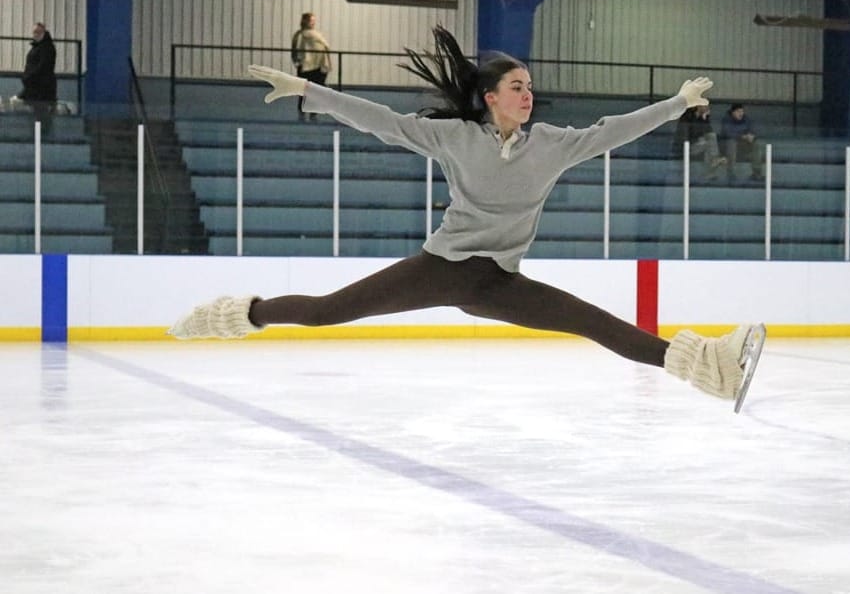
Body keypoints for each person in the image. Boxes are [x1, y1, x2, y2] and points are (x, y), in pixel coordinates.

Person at [170, 26, 764, 406]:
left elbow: (613, 131)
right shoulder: (455, 138)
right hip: (442, 268)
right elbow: (384, 121)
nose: (528, 94)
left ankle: (711, 367)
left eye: (530, 85)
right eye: (516, 85)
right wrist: (309, 90)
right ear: (491, 97)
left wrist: (678, 104)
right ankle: (234, 315)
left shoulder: (552, 144)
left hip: (498, 281)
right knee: (327, 313)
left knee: (596, 324)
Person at [17, 22, 57, 135]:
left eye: (37, 32)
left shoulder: (47, 48)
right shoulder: (38, 48)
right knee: (37, 116)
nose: (35, 34)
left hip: (42, 91)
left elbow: (43, 67)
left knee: (41, 115)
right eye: (34, 32)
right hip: (35, 89)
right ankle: (38, 136)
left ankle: (42, 137)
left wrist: (28, 77)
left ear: (43, 33)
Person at [291, 12, 331, 120]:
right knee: (304, 90)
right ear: (305, 21)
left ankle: (313, 112)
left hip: (317, 66)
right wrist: (297, 60)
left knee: (315, 90)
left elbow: (325, 47)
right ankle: (303, 111)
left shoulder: (314, 34)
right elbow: (295, 49)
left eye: (314, 20)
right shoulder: (302, 35)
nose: (313, 22)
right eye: (311, 20)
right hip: (306, 66)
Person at [672, 104, 726, 179]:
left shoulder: (703, 118)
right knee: (708, 145)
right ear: (698, 107)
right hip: (686, 146)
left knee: (711, 137)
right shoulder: (687, 117)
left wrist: (704, 120)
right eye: (705, 107)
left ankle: (712, 166)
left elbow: (709, 132)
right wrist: (699, 139)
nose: (707, 109)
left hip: (699, 144)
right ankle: (713, 163)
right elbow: (687, 134)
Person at [721, 103, 763, 180]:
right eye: (738, 112)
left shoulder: (746, 119)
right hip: (728, 146)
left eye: (742, 111)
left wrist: (751, 135)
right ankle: (731, 173)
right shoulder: (726, 120)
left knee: (756, 144)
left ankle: (757, 173)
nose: (741, 113)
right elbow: (727, 133)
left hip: (743, 145)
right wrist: (742, 136)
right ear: (733, 112)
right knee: (731, 143)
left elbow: (753, 130)